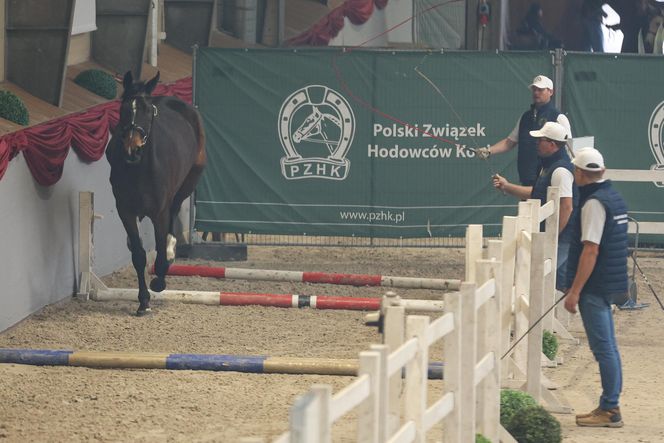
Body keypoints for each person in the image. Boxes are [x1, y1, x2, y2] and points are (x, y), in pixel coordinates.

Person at [563, 147, 628, 428]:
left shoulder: (593, 204)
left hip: (595, 285)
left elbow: (590, 250)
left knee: (603, 348)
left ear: (579, 173)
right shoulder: (614, 197)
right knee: (608, 347)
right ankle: (608, 405)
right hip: (609, 281)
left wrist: (574, 291)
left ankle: (610, 408)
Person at [492, 121, 577, 290]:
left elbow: (567, 207)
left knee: (542, 278)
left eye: (541, 140)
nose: (537, 143)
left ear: (552, 144)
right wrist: (507, 187)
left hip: (562, 238)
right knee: (555, 281)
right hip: (558, 236)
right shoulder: (549, 167)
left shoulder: (560, 171)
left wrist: (552, 237)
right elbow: (536, 193)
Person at [477, 75, 571, 186]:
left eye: (540, 90)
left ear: (551, 92)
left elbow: (568, 147)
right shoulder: (525, 117)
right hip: (527, 177)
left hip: (549, 178)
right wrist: (489, 151)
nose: (536, 93)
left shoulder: (559, 117)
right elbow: (509, 142)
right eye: (534, 89)